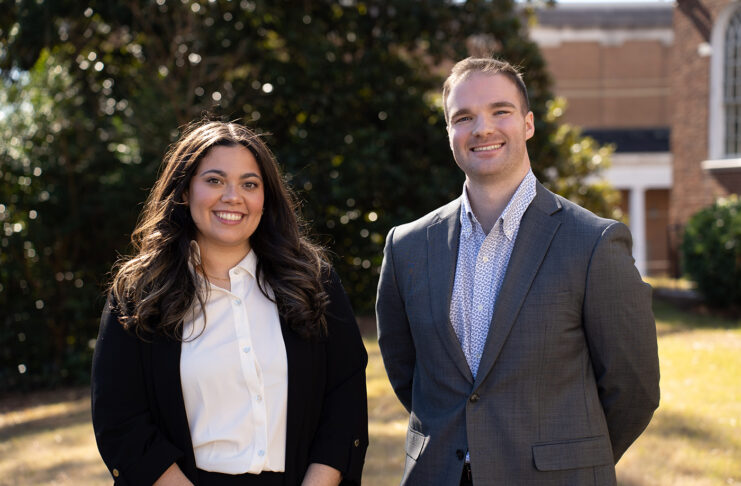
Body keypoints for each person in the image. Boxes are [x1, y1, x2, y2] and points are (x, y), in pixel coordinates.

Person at [376, 57, 660, 485]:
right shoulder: (408, 246)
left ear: (528, 124)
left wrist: (571, 457)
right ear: (449, 132)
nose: (482, 128)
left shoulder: (593, 243)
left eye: (500, 111)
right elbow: (407, 372)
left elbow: (633, 388)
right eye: (463, 117)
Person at [92, 120, 368, 486]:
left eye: (249, 184)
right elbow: (121, 421)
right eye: (214, 180)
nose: (232, 196)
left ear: (265, 197)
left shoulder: (314, 283)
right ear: (185, 191)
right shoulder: (139, 293)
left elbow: (345, 405)